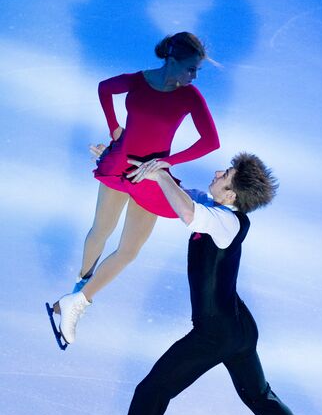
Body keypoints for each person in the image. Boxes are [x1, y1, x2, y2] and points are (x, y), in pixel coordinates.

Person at [67, 152, 322, 415]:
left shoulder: (227, 221)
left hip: (216, 334)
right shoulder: (210, 204)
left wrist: (161, 174)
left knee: (151, 391)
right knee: (260, 398)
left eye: (225, 174)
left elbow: (186, 212)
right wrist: (117, 160)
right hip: (237, 327)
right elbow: (170, 199)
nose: (217, 172)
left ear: (231, 195)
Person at [49, 32, 220, 347]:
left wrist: (164, 163)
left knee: (128, 251)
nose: (194, 77)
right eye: (190, 68)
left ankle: (76, 302)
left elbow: (211, 141)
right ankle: (77, 294)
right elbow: (105, 89)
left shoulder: (190, 96)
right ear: (171, 60)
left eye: (197, 71)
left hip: (152, 179)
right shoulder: (140, 81)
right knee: (101, 230)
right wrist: (114, 126)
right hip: (121, 165)